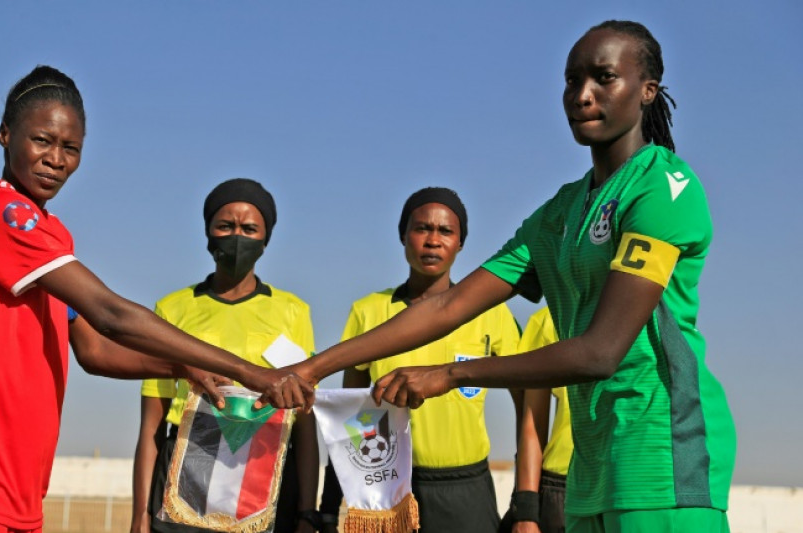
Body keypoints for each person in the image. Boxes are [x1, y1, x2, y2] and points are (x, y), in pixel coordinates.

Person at [295, 21, 736, 532]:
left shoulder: (664, 187)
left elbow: (600, 352)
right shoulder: (561, 212)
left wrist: (450, 374)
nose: (582, 95)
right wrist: (311, 369)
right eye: (571, 80)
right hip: (592, 465)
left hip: (663, 456)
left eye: (604, 78)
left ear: (647, 90)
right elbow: (447, 306)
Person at [0, 66, 313, 533]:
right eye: (41, 140)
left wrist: (182, 368)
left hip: (15, 485)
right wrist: (246, 371)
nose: (55, 159)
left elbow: (94, 349)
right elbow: (110, 315)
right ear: (4, 134)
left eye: (70, 148)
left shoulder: (49, 236)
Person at [319, 187, 521, 533]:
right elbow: (349, 417)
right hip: (387, 486)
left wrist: (525, 500)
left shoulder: (492, 313)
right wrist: (328, 508)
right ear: (403, 235)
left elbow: (528, 405)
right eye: (422, 228)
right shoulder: (368, 312)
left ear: (460, 243)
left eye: (445, 231)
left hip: (466, 489)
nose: (433, 240)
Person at [131, 178, 320, 533]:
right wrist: (141, 514)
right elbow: (151, 425)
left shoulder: (293, 311)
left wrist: (307, 512)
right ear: (208, 232)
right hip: (187, 469)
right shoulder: (173, 308)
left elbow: (305, 423)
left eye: (249, 229)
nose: (237, 237)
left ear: (265, 240)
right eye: (225, 226)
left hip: (265, 471)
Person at [498, 306, 571, 533]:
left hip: (638, 483)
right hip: (561, 487)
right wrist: (526, 513)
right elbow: (532, 423)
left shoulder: (658, 308)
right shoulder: (548, 320)